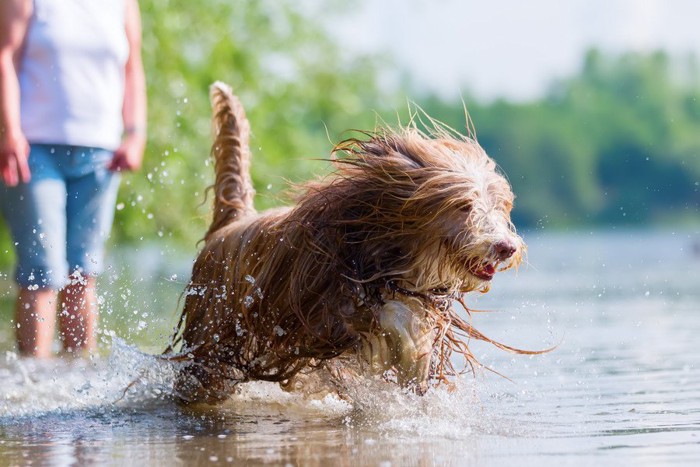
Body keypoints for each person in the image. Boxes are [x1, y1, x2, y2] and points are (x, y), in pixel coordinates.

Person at [0, 0, 146, 357]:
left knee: (83, 273)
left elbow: (132, 68)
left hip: (101, 152)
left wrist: (136, 134)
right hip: (33, 149)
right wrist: (9, 130)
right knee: (43, 272)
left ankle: (78, 385)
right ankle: (33, 387)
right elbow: (5, 56)